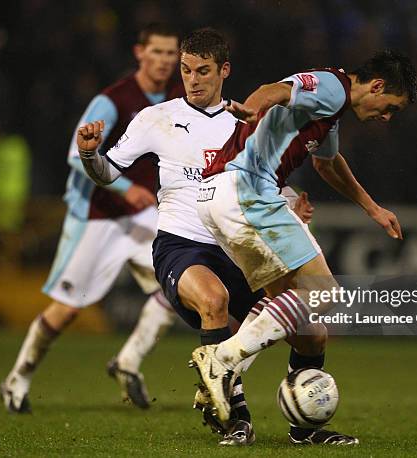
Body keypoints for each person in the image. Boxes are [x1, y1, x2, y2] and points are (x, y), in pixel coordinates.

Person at [77, 28, 330, 446]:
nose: (193, 79)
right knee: (215, 301)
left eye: (203, 71)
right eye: (186, 70)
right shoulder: (155, 118)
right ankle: (233, 420)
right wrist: (90, 154)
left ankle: (304, 429)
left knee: (311, 329)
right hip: (181, 244)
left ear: (224, 71)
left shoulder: (247, 122)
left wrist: (288, 205)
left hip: (235, 245)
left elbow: (262, 182)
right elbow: (107, 173)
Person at [190, 50, 417, 436]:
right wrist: (250, 109)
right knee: (323, 292)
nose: (387, 117)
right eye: (391, 106)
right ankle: (223, 360)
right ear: (377, 86)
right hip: (247, 190)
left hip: (222, 196)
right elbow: (274, 90)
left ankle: (292, 419)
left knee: (307, 328)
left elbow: (327, 164)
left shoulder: (330, 111)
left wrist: (373, 209)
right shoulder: (332, 87)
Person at [0, 23, 185, 414]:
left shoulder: (175, 100)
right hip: (97, 215)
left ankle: (129, 360)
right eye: (158, 52)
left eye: (172, 53)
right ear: (140, 53)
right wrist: (123, 189)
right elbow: (74, 155)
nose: (165, 61)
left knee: (180, 285)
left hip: (142, 215)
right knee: (67, 309)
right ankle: (18, 377)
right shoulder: (113, 100)